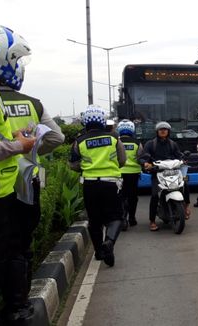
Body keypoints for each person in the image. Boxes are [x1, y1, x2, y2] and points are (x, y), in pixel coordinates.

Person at [0, 64, 65, 320]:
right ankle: (18, 305)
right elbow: (56, 138)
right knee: (21, 244)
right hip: (26, 181)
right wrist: (32, 155)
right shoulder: (33, 104)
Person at [0, 24, 35, 323]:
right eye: (14, 58)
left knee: (2, 252)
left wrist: (11, 138)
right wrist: (17, 146)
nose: (16, 66)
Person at [69, 105, 126, 267]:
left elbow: (73, 164)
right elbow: (122, 160)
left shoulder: (79, 141)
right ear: (102, 121)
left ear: (85, 122)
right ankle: (109, 241)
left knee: (95, 220)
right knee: (115, 217)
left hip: (90, 185)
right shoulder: (114, 138)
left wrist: (87, 167)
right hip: (111, 183)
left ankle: (99, 252)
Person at [142, 121, 190, 231]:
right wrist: (146, 163)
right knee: (155, 195)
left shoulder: (173, 144)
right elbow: (144, 156)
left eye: (165, 129)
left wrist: (183, 159)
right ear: (157, 131)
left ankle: (186, 207)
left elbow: (179, 155)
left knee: (185, 184)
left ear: (168, 132)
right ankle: (152, 221)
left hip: (172, 171)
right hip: (157, 172)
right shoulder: (151, 144)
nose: (163, 131)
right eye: (161, 129)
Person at [116, 119, 143, 229]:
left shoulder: (116, 142)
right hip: (133, 174)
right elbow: (140, 157)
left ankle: (122, 218)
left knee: (121, 196)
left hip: (119, 174)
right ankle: (132, 218)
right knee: (133, 197)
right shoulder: (137, 143)